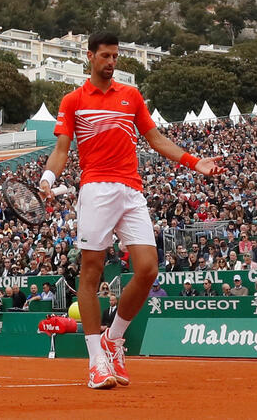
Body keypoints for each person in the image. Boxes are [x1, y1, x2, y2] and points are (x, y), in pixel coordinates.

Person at [39, 31, 226, 389]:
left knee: (147, 269)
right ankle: (96, 361)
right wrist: (49, 178)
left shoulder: (132, 96)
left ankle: (114, 338)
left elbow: (156, 140)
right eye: (105, 56)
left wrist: (194, 162)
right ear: (91, 56)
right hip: (95, 189)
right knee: (91, 273)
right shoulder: (73, 100)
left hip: (132, 190)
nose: (111, 62)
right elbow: (62, 149)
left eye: (115, 56)